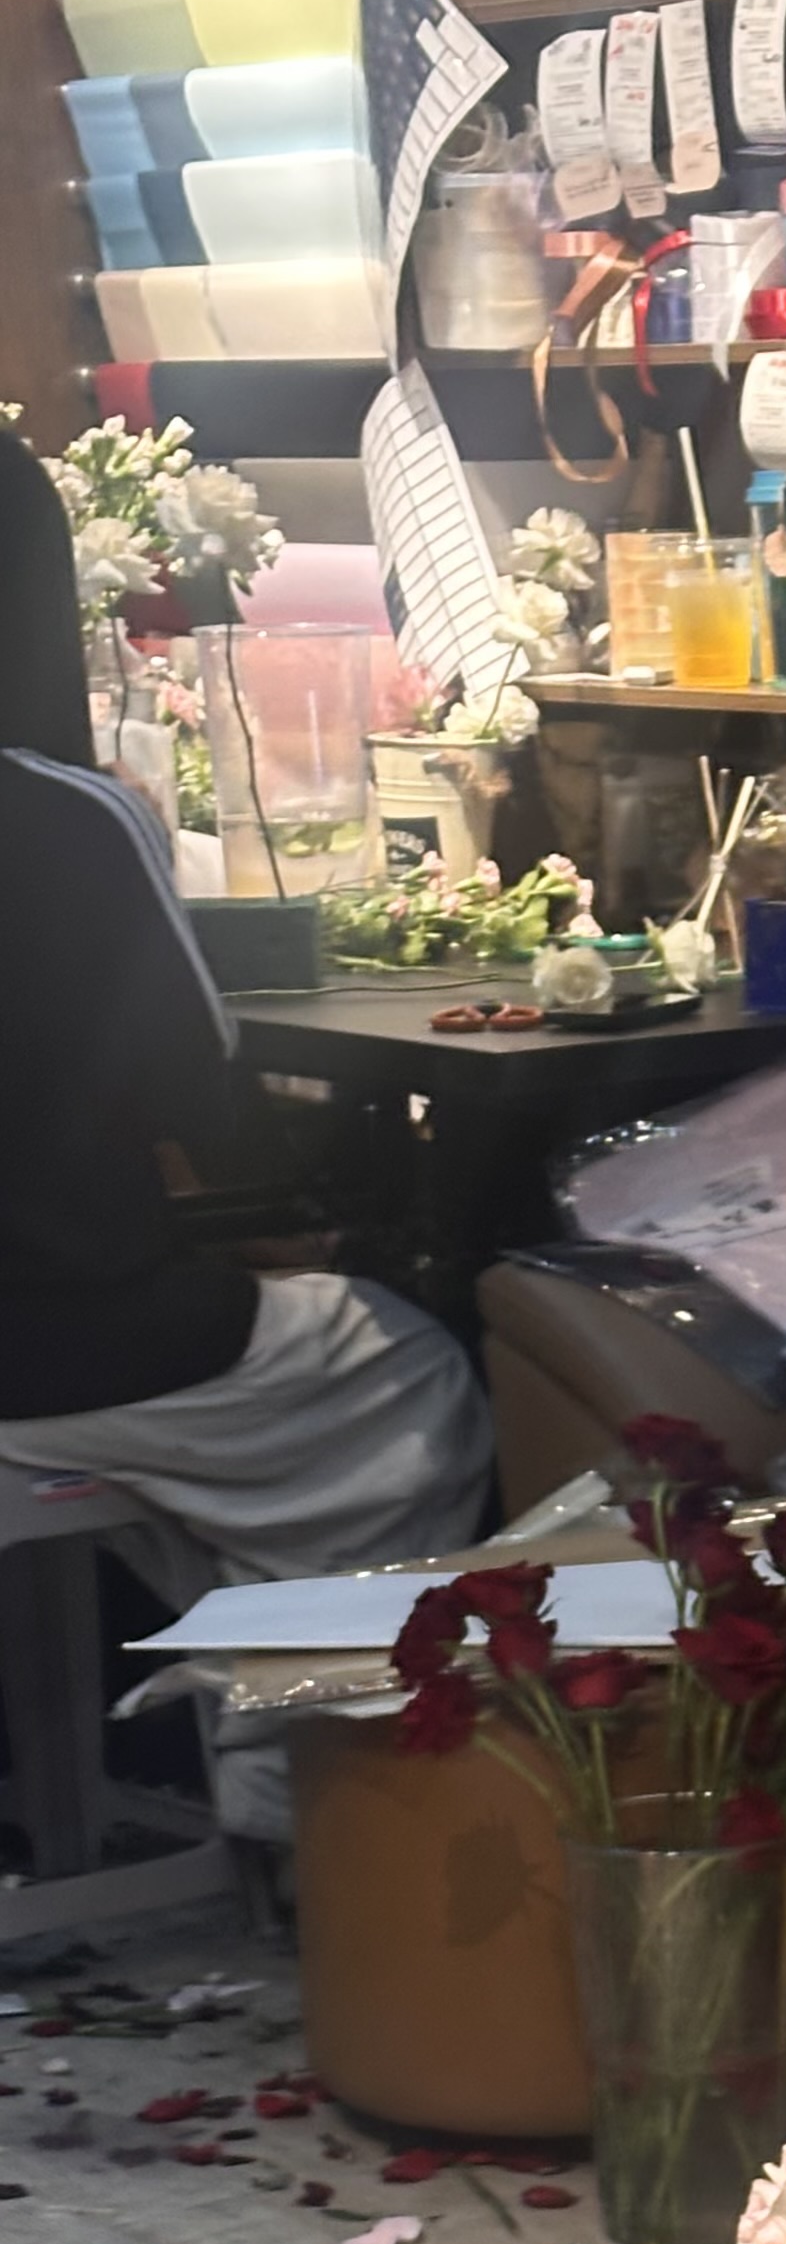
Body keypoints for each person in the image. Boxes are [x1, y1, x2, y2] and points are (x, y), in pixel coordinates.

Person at [0, 426, 493, 1839]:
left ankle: (205, 1751)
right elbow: (200, 1105)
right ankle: (313, 1800)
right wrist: (307, 1230)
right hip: (55, 1348)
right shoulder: (64, 820)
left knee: (227, 1411)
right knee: (405, 1368)